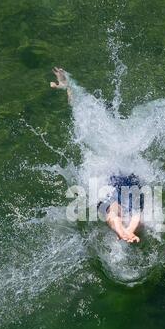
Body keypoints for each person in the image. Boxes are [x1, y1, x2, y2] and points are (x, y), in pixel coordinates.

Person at [51, 67, 143, 243]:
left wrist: (67, 83)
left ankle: (123, 231)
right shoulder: (123, 136)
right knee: (135, 212)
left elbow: (78, 107)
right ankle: (127, 232)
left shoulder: (95, 133)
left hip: (106, 177)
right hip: (127, 176)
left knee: (113, 209)